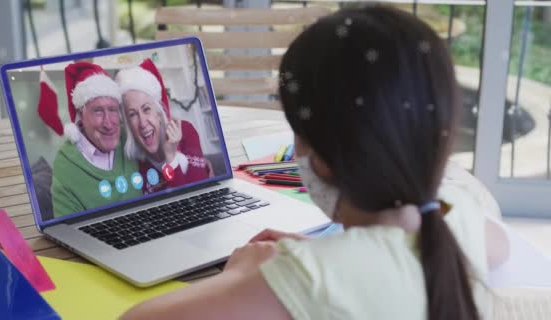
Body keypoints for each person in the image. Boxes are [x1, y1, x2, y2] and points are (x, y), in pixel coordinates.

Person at [120, 6, 509, 320]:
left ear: (320, 161)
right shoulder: (459, 218)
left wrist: (244, 275)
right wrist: (333, 252)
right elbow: (497, 247)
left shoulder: (307, 280)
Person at [51, 62, 142, 217]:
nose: (108, 123)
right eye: (98, 111)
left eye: (112, 110)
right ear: (81, 114)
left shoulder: (129, 137)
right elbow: (68, 231)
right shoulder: (65, 164)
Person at [115, 58, 212, 194]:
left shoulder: (185, 131)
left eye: (146, 109)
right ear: (128, 124)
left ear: (159, 112)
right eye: (132, 114)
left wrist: (171, 157)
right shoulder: (135, 164)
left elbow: (195, 198)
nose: (142, 123)